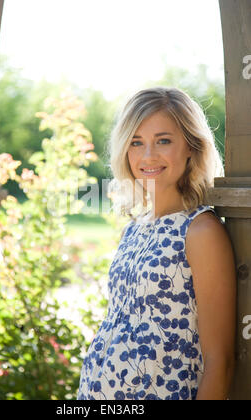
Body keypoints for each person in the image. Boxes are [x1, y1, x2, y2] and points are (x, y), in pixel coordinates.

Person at [77, 87, 236, 400]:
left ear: (191, 146)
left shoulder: (201, 231)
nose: (148, 155)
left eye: (163, 140)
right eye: (136, 142)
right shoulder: (135, 228)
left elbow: (221, 362)